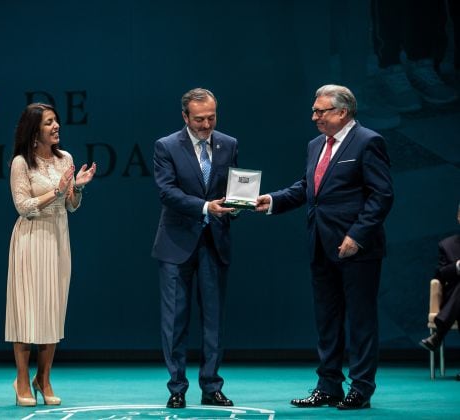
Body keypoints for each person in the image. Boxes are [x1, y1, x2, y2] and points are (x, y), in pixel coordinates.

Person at [255, 84, 394, 410]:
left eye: (321, 111)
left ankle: (360, 388)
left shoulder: (368, 142)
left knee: (360, 320)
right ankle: (328, 385)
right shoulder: (317, 144)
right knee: (327, 321)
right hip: (320, 245)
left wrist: (357, 235)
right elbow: (308, 186)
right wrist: (273, 200)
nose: (314, 116)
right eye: (315, 110)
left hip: (357, 249)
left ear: (342, 112)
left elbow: (382, 195)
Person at [4, 103, 96, 407]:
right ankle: (21, 380)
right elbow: (23, 207)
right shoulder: (21, 163)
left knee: (52, 309)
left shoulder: (65, 159)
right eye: (48, 123)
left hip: (58, 237)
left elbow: (70, 206)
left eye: (56, 121)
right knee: (27, 309)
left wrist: (77, 189)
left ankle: (43, 378)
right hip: (31, 239)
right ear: (34, 131)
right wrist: (56, 191)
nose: (56, 126)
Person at [152, 88, 239, 409]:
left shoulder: (228, 144)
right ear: (185, 117)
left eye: (211, 117)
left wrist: (237, 205)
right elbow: (167, 192)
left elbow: (232, 189)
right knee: (174, 320)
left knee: (214, 319)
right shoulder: (167, 146)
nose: (206, 124)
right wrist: (205, 207)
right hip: (176, 245)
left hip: (215, 242)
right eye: (199, 119)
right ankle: (177, 387)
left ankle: (211, 386)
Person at [419, 202, 460, 382]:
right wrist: (458, 266)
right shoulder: (447, 245)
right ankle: (439, 334)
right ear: (459, 217)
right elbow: (440, 274)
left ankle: (438, 335)